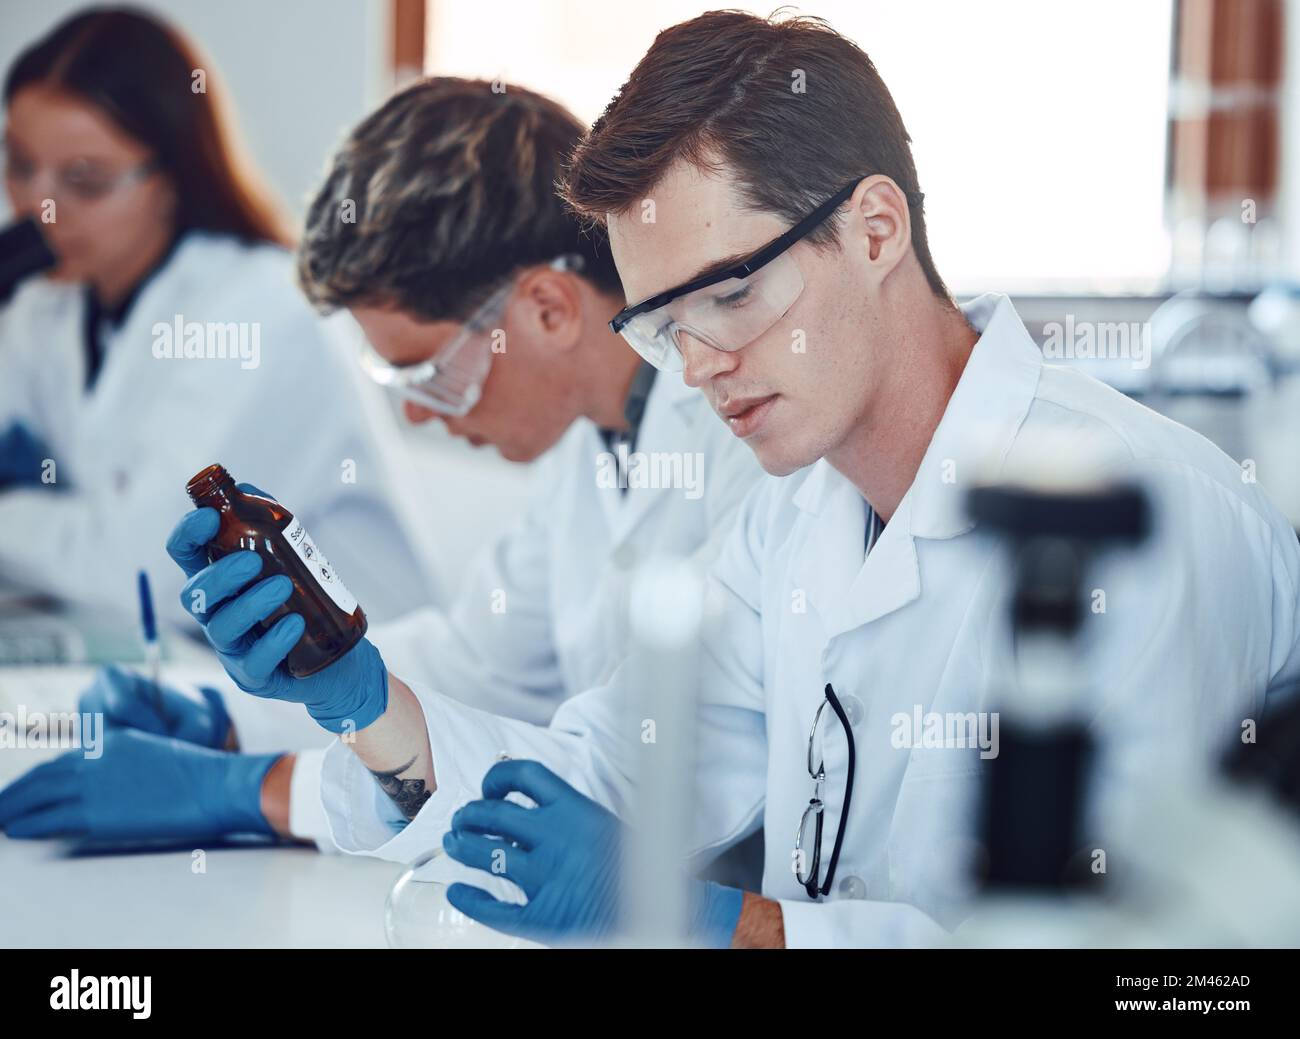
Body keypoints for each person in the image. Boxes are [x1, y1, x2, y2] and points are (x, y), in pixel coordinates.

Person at [136, 11, 1300, 948]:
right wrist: (356, 694)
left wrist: (714, 926)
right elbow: (607, 771)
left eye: (731, 295)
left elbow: (1141, 966)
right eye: (661, 324)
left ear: (877, 227)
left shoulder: (1142, 514)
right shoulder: (793, 518)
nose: (698, 366)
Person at [0, 78, 764, 853]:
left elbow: (632, 779)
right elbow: (476, 666)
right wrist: (234, 720)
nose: (422, 416)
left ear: (549, 310)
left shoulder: (748, 435)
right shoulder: (590, 446)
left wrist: (246, 792)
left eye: (429, 374)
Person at [0, 6, 430, 619]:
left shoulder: (261, 312)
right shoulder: (50, 301)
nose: (38, 209)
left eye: (85, 180)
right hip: (182, 652)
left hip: (357, 676)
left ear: (170, 179)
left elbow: (145, 564)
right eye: (19, 164)